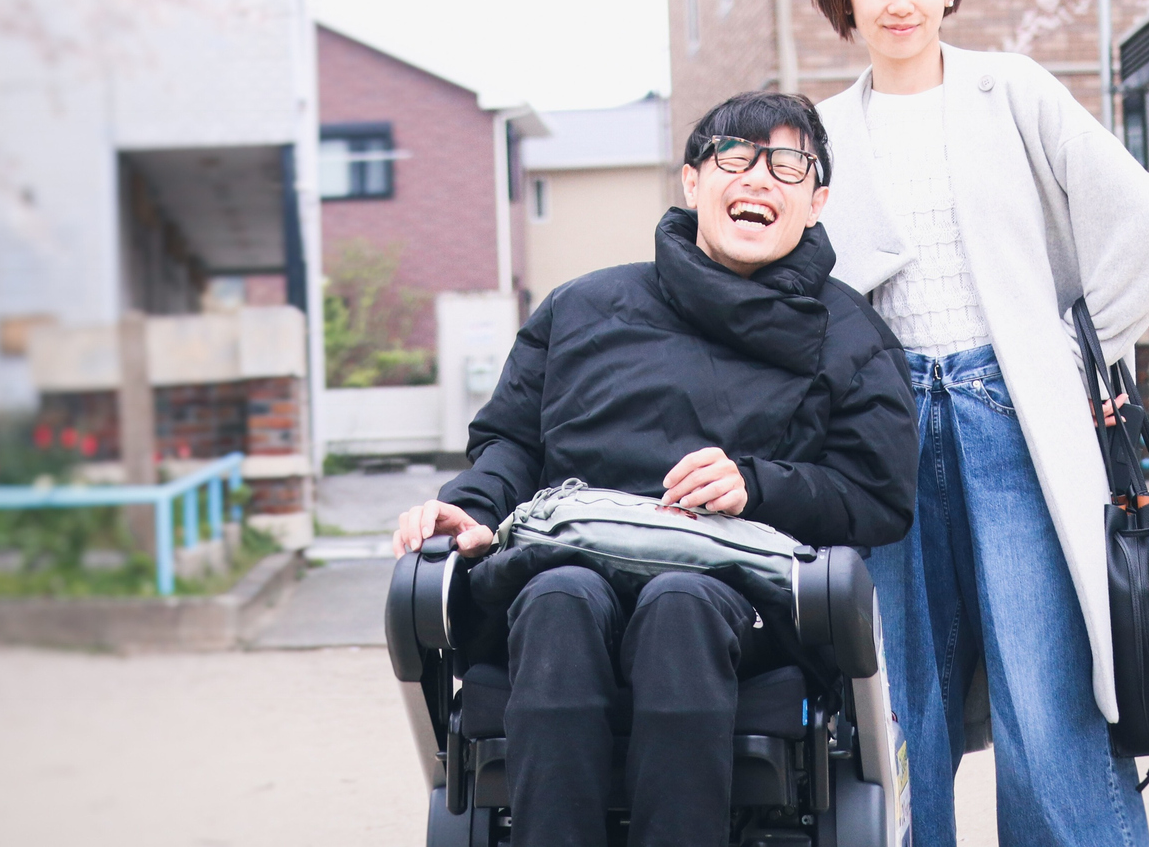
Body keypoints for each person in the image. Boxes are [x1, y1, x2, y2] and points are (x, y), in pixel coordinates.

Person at [391, 90, 917, 847]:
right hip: (563, 570)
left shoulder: (849, 334)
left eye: (786, 165)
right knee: (559, 599)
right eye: (733, 157)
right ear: (692, 181)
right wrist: (468, 508)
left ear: (817, 200)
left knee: (679, 603)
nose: (758, 178)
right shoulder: (582, 307)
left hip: (742, 600)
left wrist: (757, 485)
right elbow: (510, 442)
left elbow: (878, 495)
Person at [810, 0, 1149, 847]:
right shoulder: (817, 133)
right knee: (895, 684)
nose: (899, 1)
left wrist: (1076, 352)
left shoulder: (1009, 90)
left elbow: (1142, 215)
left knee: (1043, 673)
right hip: (881, 427)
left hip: (1010, 411)